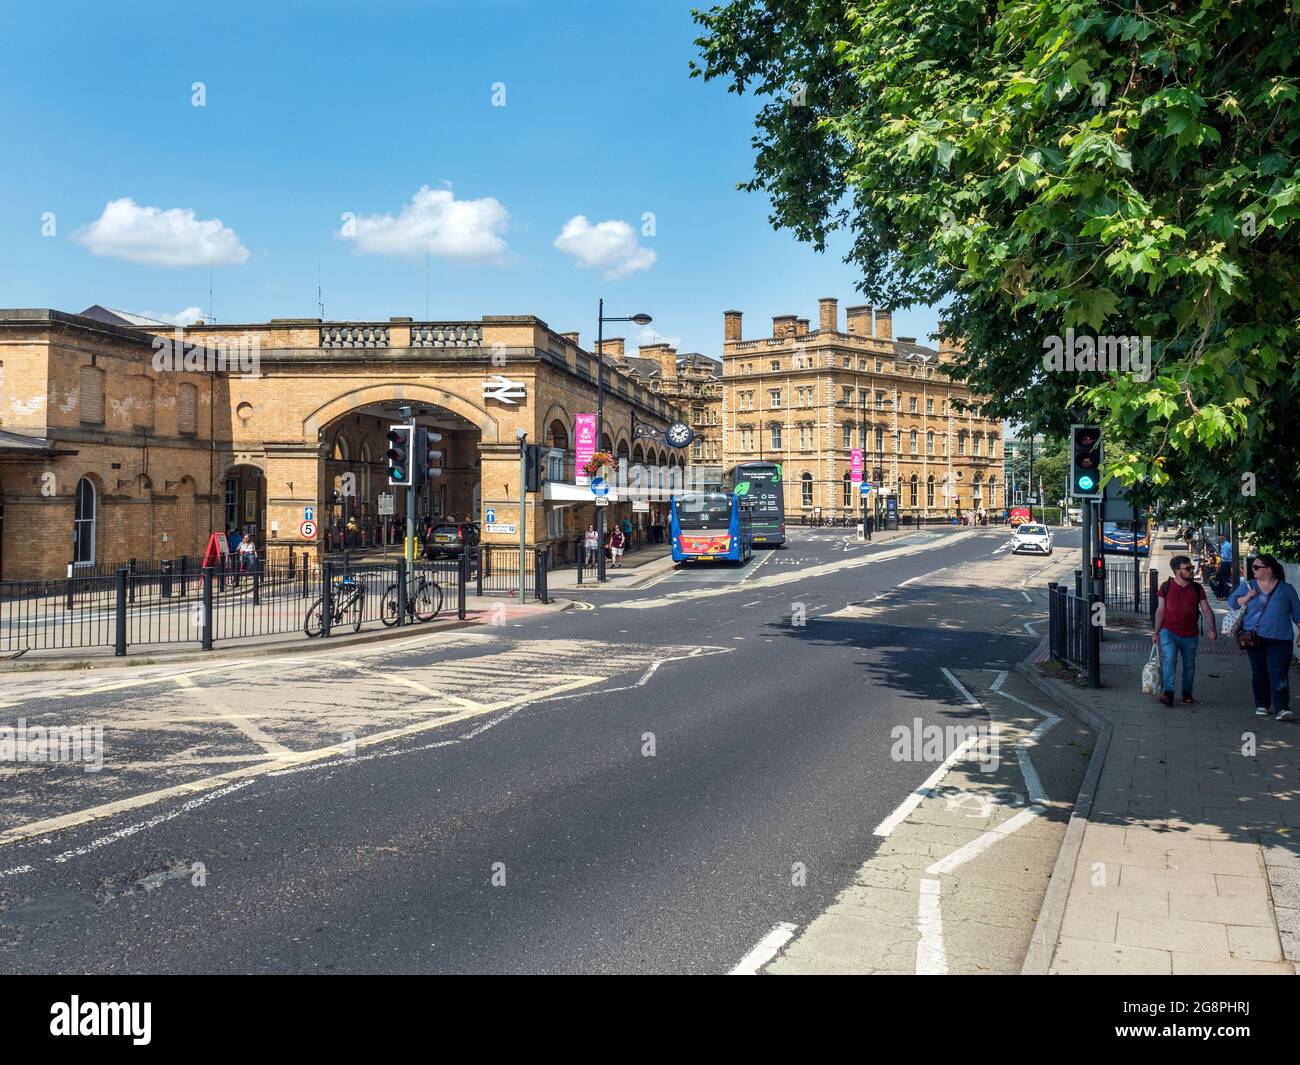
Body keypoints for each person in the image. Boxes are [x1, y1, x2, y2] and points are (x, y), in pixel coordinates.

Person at [1228, 554, 1300, 721]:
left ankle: (1282, 708)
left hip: (1281, 638)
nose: (1252, 570)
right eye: (1252, 567)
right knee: (1259, 672)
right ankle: (1262, 704)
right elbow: (1232, 602)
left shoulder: (1286, 589)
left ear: (1268, 570)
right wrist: (1247, 597)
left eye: (1256, 567)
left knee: (1279, 673)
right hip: (1254, 637)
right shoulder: (1248, 586)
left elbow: (1297, 613)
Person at [1151, 554, 1218, 706]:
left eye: (1192, 568)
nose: (1191, 571)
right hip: (1169, 632)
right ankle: (1168, 693)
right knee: (1169, 660)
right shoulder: (1166, 587)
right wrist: (1155, 633)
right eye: (1188, 568)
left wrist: (1212, 628)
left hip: (1190, 634)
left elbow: (1206, 609)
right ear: (1177, 571)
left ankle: (1187, 692)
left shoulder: (1197, 588)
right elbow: (1160, 610)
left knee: (1189, 665)